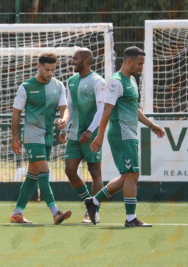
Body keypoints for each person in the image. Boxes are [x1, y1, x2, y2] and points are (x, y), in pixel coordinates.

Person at [86, 46, 166, 227]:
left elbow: (133, 109)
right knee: (132, 174)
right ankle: (131, 219)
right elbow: (107, 110)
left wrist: (151, 125)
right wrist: (99, 135)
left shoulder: (131, 81)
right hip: (122, 134)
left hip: (129, 134)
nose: (141, 68)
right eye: (140, 64)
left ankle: (93, 202)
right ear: (129, 61)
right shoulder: (116, 82)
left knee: (127, 176)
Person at [10, 52, 72, 224]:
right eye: (46, 69)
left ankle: (17, 213)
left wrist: (64, 122)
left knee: (32, 176)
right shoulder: (26, 87)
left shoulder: (58, 85)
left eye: (53, 69)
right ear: (38, 67)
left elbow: (64, 109)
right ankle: (55, 212)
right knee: (44, 172)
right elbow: (16, 114)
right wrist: (15, 138)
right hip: (31, 135)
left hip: (47, 135)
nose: (50, 73)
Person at [59, 48, 105, 223]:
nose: (72, 62)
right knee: (70, 170)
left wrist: (91, 131)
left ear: (86, 60)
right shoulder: (71, 81)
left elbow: (102, 108)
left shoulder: (98, 81)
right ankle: (89, 203)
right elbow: (69, 108)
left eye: (75, 59)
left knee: (95, 172)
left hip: (90, 134)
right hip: (74, 134)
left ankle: (95, 211)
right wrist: (64, 128)